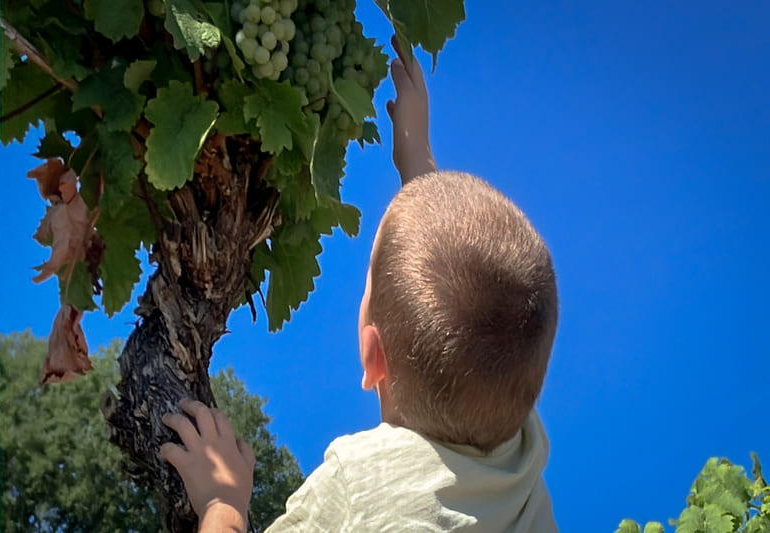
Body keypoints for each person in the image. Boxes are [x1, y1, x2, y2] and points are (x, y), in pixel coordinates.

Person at [160, 37, 560, 532]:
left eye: (370, 279)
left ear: (374, 357)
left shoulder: (361, 487)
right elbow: (474, 320)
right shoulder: (518, 453)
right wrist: (415, 154)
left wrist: (223, 503)